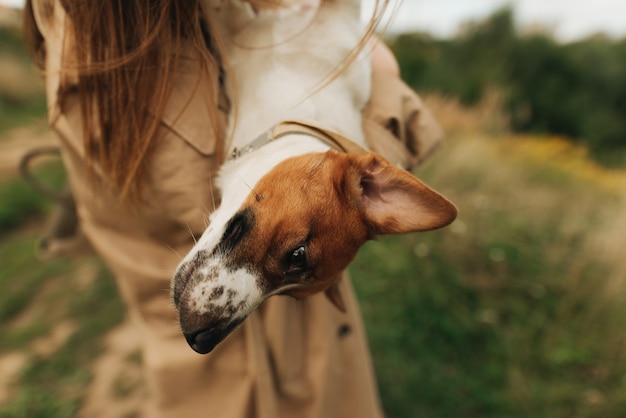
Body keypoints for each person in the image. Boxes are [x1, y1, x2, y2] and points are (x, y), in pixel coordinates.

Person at [24, 0, 443, 416]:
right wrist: (380, 81)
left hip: (315, 361)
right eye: (295, 259)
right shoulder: (98, 45)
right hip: (205, 383)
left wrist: (373, 79)